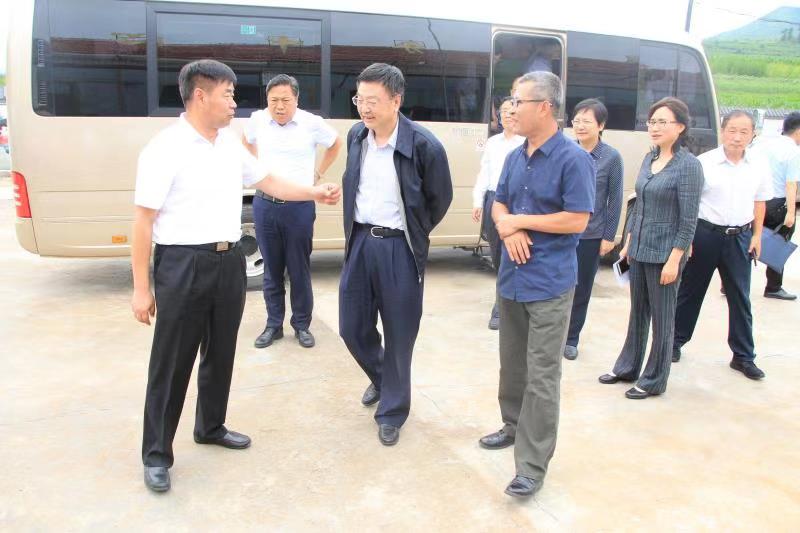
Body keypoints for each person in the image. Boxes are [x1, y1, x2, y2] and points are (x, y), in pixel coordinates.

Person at [131, 60, 340, 493]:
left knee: (220, 351)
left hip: (228, 262)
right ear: (200, 95)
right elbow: (143, 221)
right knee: (172, 362)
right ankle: (156, 454)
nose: (234, 103)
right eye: (227, 94)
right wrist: (141, 289)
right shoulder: (165, 147)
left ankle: (210, 426)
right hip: (183, 263)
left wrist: (313, 192)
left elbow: (269, 182)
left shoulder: (229, 145)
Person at [478, 71, 595, 498]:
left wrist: (520, 222)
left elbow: (577, 220)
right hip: (511, 278)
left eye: (518, 101)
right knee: (512, 366)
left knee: (542, 375)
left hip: (549, 283)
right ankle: (512, 426)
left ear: (544, 107)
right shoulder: (515, 155)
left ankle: (531, 466)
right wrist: (507, 228)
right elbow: (499, 203)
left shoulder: (572, 159)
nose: (511, 109)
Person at [338, 63, 453, 447]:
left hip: (398, 247)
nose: (364, 108)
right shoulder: (357, 136)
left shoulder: (423, 145)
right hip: (359, 240)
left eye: (373, 101)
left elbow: (439, 199)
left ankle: (392, 411)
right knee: (351, 326)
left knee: (400, 333)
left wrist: (414, 232)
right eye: (359, 99)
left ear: (396, 101)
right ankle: (384, 378)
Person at [598, 97, 703, 399]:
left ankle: (654, 379)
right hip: (640, 248)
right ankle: (628, 367)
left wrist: (675, 259)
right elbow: (639, 204)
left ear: (680, 127)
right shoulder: (650, 158)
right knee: (638, 312)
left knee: (663, 318)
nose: (655, 127)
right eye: (652, 121)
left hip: (665, 254)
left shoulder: (688, 166)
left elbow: (688, 219)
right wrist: (628, 242)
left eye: (662, 122)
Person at [244, 74, 342, 350]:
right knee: (271, 269)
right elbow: (246, 140)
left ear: (296, 99)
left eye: (285, 100)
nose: (279, 106)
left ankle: (301, 325)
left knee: (299, 269)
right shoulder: (257, 120)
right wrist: (256, 168)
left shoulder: (312, 123)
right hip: (265, 204)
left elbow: (336, 143)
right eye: (273, 100)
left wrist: (318, 173)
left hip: (299, 207)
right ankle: (273, 325)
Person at [672, 110, 772, 380]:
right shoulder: (704, 163)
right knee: (690, 292)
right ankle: (674, 342)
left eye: (744, 132)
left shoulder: (758, 165)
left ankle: (743, 356)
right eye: (732, 130)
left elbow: (760, 202)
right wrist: (687, 238)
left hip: (740, 237)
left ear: (753, 135)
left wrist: (757, 236)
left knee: (740, 297)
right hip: (705, 235)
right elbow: (689, 204)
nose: (737, 137)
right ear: (723, 131)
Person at [564, 98, 624, 360]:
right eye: (576, 121)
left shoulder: (611, 157)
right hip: (562, 231)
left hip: (590, 234)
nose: (580, 126)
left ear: (601, 125)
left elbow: (615, 199)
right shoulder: (565, 150)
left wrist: (609, 236)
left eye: (586, 121)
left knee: (581, 288)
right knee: (558, 285)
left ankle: (571, 338)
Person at [472, 98, 524, 330]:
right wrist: (478, 201)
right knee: (498, 256)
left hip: (517, 202)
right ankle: (505, 301)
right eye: (504, 112)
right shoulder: (493, 143)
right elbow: (484, 172)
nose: (508, 116)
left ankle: (501, 309)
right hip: (494, 200)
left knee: (513, 257)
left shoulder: (526, 143)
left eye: (513, 112)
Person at [752, 112, 800, 300]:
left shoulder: (764, 143)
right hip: (777, 204)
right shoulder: (793, 151)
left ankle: (730, 283)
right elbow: (791, 184)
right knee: (780, 243)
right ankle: (773, 287)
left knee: (749, 239)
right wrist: (791, 212)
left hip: (756, 201)